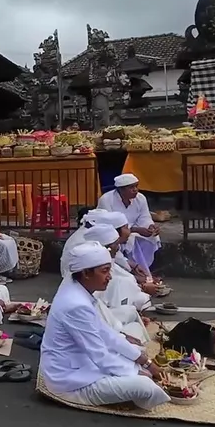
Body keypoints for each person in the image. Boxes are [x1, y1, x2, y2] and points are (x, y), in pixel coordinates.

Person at [40, 241, 170, 411]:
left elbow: (105, 332)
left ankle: (127, 385)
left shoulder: (75, 287)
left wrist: (145, 362)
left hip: (82, 363)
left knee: (136, 353)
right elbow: (100, 355)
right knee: (146, 386)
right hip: (69, 382)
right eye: (105, 271)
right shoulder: (75, 304)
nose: (110, 276)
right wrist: (139, 372)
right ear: (86, 273)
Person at [82, 224, 150, 343]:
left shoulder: (86, 284)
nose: (109, 276)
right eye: (105, 271)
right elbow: (97, 334)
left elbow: (103, 316)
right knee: (135, 329)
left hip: (106, 325)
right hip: (98, 345)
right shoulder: (78, 302)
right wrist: (123, 337)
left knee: (132, 312)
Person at [97, 173, 162, 274]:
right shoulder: (106, 199)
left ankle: (144, 270)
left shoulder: (141, 198)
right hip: (116, 232)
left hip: (134, 229)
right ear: (121, 189)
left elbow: (144, 217)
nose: (135, 190)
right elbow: (108, 224)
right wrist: (135, 230)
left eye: (136, 186)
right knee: (130, 239)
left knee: (152, 237)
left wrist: (150, 226)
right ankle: (133, 270)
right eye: (131, 187)